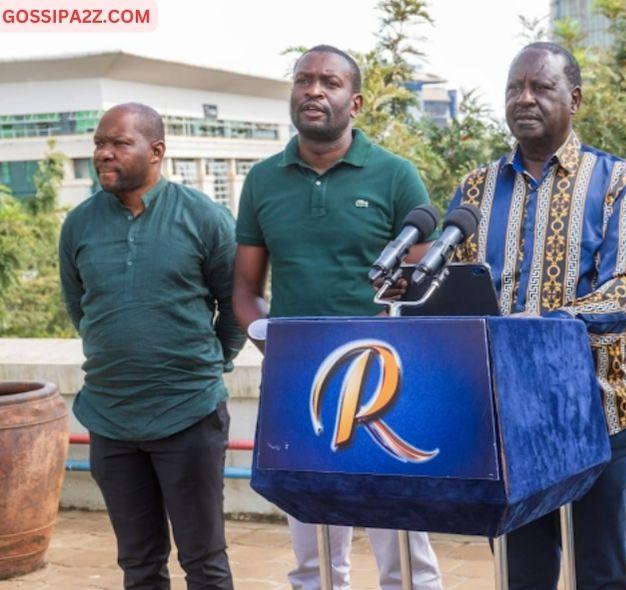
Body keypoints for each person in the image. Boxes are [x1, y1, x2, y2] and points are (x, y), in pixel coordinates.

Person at [231, 45, 442, 590]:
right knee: (313, 558)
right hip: (303, 386)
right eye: (304, 80)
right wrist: (280, 350)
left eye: (329, 82)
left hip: (384, 384)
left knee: (403, 555)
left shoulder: (395, 176)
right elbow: (246, 291)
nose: (314, 91)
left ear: (357, 101)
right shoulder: (262, 181)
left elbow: (426, 286)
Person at [447, 42, 626, 589]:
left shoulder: (617, 181)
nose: (525, 98)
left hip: (595, 414)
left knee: (600, 574)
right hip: (507, 422)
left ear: (574, 99)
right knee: (522, 576)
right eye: (515, 87)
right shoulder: (474, 189)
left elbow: (623, 289)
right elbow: (456, 291)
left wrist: (528, 335)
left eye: (541, 87)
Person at [58, 103, 244, 589]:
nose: (104, 153)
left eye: (119, 143)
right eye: (100, 143)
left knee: (204, 560)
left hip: (188, 414)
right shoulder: (79, 224)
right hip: (111, 418)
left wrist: (210, 364)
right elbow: (81, 308)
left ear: (156, 151)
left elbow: (237, 303)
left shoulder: (204, 217)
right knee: (137, 564)